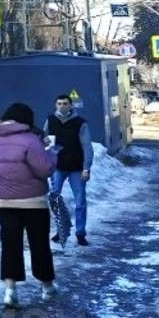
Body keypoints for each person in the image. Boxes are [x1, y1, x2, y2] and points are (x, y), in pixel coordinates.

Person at [0, 102, 58, 308]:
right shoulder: (30, 139)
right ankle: (47, 287)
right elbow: (44, 169)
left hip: (3, 201)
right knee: (39, 243)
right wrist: (51, 152)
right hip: (32, 200)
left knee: (10, 245)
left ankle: (10, 291)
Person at [42, 94, 94, 246]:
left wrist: (86, 168)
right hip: (57, 167)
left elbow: (87, 146)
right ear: (55, 105)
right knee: (55, 199)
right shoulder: (50, 120)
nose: (62, 106)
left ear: (70, 105)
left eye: (65, 103)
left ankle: (80, 233)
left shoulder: (80, 123)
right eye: (59, 103)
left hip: (76, 168)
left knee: (80, 201)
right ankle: (61, 230)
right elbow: (44, 141)